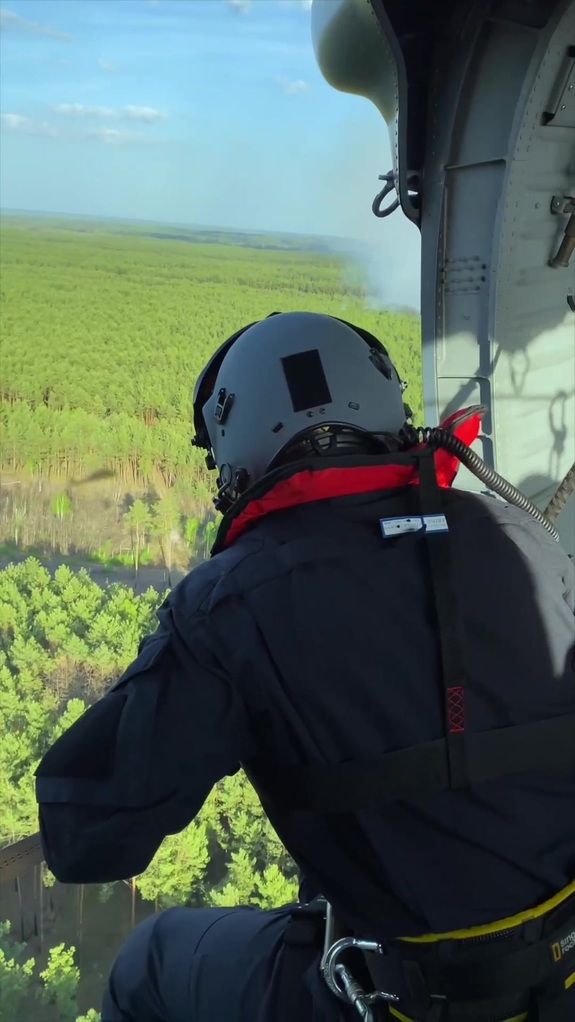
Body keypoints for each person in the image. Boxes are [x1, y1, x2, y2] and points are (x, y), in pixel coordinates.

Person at [35, 312, 575, 1022]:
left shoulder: (230, 603)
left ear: (236, 451)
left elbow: (88, 841)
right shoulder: (521, 536)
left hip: (401, 1000)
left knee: (153, 960)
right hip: (561, 978)